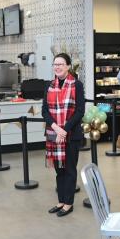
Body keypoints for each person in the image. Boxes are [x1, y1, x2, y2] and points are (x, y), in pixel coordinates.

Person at [42, 53, 85, 217]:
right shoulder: (49, 85)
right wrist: (56, 128)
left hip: (71, 134)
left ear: (68, 66)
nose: (57, 67)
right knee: (59, 170)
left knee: (69, 169)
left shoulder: (76, 85)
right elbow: (44, 111)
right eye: (55, 64)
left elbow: (80, 111)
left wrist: (64, 130)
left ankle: (68, 203)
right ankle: (60, 201)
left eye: (60, 64)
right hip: (54, 134)